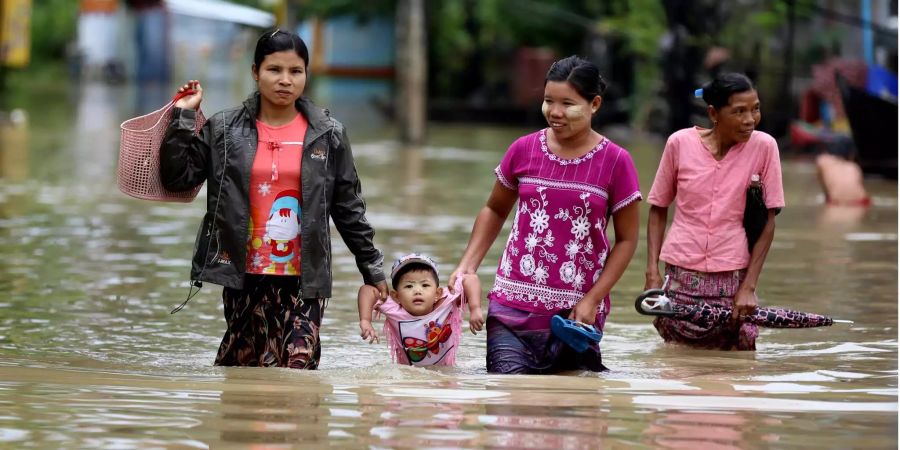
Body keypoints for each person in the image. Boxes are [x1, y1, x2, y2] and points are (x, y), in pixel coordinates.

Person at [159, 29, 387, 369]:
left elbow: (348, 208)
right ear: (255, 72)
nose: (285, 80)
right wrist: (184, 117)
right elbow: (178, 178)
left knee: (298, 362)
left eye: (295, 71)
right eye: (274, 70)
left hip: (305, 276)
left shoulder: (328, 134)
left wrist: (371, 267)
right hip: (242, 271)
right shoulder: (224, 129)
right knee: (246, 365)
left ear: (306, 75)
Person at [450, 55, 642, 374]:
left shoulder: (616, 162)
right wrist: (466, 266)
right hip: (510, 306)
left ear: (594, 104)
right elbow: (494, 209)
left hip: (574, 314)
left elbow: (627, 240)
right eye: (548, 100)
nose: (555, 112)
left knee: (570, 409)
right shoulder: (523, 149)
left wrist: (593, 299)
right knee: (508, 397)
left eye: (567, 103)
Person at [645, 72, 785, 351]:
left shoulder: (765, 147)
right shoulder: (679, 143)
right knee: (678, 354)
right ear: (713, 113)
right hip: (681, 273)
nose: (749, 120)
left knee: (735, 355)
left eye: (755, 109)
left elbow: (768, 223)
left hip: (733, 273)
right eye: (739, 112)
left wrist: (749, 287)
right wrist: (652, 272)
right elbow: (659, 207)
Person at [357, 253, 484, 366]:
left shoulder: (446, 302)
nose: (417, 291)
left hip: (446, 373)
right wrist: (365, 320)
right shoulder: (395, 310)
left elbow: (470, 278)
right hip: (409, 375)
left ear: (437, 293)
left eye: (425, 285)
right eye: (409, 286)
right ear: (396, 296)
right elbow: (367, 290)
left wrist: (475, 308)